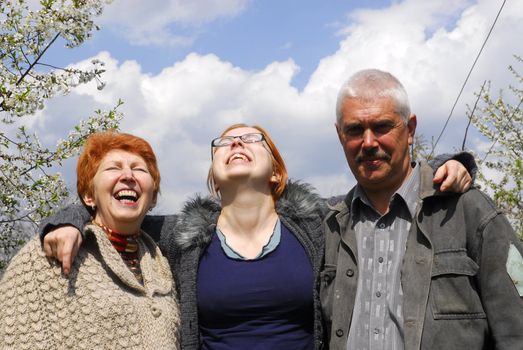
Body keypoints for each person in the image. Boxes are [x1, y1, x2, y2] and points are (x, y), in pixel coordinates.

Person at [39, 125, 473, 350]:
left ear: (277, 170)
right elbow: (117, 207)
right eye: (224, 142)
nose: (236, 143)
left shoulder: (317, 222)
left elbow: (379, 189)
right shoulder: (180, 235)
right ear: (213, 174)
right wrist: (68, 219)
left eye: (252, 138)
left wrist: (449, 163)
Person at [320, 68, 523, 350]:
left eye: (381, 127)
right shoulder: (328, 227)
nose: (368, 143)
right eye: (355, 130)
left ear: (410, 129)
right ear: (340, 135)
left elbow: (516, 330)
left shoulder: (468, 211)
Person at [0, 131, 180, 349]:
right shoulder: (48, 254)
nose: (128, 176)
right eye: (114, 168)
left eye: (138, 169)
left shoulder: (165, 261)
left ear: (152, 198)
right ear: (89, 196)